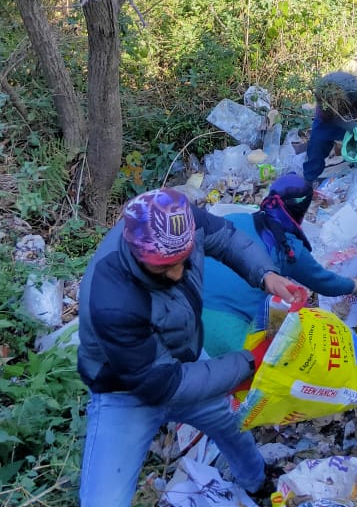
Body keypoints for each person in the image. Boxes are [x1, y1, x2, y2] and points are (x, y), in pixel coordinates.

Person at [77, 187, 304, 506]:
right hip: (124, 393)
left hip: (187, 357)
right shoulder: (111, 300)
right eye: (162, 267)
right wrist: (250, 362)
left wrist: (266, 273)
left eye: (183, 260)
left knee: (233, 428)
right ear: (136, 252)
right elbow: (161, 384)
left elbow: (226, 238)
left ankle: (257, 483)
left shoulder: (176, 222)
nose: (177, 273)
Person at [202, 174, 357, 356]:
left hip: (187, 308)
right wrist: (354, 285)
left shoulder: (236, 217)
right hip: (225, 331)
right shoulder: (289, 248)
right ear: (302, 210)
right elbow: (324, 283)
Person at [302, 70, 357, 183]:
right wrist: (356, 128)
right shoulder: (323, 95)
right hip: (327, 118)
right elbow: (338, 119)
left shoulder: (354, 89)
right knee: (317, 144)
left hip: (352, 113)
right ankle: (309, 180)